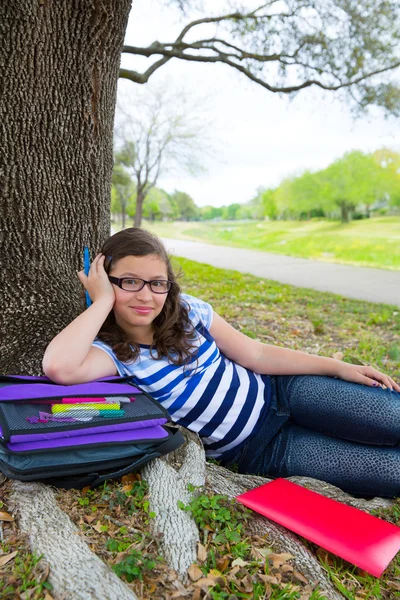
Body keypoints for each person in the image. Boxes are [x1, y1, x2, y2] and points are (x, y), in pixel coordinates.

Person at [43, 228, 400, 497]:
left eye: (157, 283)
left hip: (284, 393)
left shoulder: (186, 311)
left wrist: (336, 366)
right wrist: (101, 301)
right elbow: (60, 367)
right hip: (261, 450)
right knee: (389, 471)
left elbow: (255, 354)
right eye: (130, 282)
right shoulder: (114, 355)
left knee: (391, 417)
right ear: (106, 282)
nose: (145, 296)